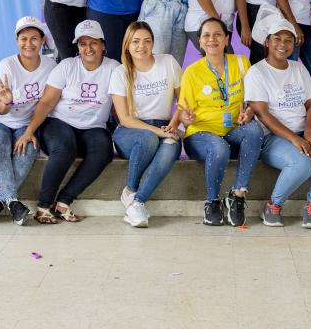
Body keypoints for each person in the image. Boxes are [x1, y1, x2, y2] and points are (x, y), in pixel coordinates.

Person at [14, 20, 119, 224]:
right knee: (64, 147)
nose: (88, 48)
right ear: (77, 46)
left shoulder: (114, 68)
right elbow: (46, 102)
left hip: (93, 128)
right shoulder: (67, 66)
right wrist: (29, 131)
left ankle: (63, 202)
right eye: (82, 43)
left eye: (93, 43)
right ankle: (43, 206)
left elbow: (118, 105)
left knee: (104, 149)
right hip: (59, 123)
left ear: (103, 44)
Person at [244, 11, 311, 229]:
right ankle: (273, 205)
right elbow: (262, 114)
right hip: (272, 138)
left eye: (288, 40)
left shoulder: (298, 68)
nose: (283, 44)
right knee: (302, 164)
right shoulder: (256, 72)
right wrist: (295, 140)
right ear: (267, 42)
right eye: (277, 39)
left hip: (302, 131)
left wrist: (307, 131)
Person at [178, 17, 262, 226]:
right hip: (201, 134)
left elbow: (253, 99)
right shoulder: (192, 72)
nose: (212, 39)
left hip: (233, 131)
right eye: (206, 35)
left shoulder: (242, 63)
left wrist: (250, 111)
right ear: (199, 41)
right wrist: (185, 117)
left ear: (226, 39)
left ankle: (238, 195)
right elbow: (182, 111)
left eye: (217, 34)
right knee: (219, 147)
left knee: (254, 130)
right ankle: (212, 202)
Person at [0, 16, 57, 226]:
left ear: (42, 41)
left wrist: (29, 131)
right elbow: (0, 110)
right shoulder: (6, 66)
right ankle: (13, 202)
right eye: (23, 38)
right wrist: (5, 101)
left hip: (27, 122)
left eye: (34, 38)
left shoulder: (51, 66)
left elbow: (46, 105)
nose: (29, 44)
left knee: (30, 146)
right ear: (17, 40)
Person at [109, 21, 184, 227]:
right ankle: (131, 188)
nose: (141, 46)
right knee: (149, 138)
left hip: (164, 125)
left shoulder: (168, 62)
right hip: (130, 131)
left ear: (153, 44)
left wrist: (173, 124)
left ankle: (137, 202)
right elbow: (124, 118)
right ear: (127, 45)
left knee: (170, 148)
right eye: (135, 41)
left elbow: (184, 102)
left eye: (147, 41)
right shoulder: (119, 72)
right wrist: (157, 132)